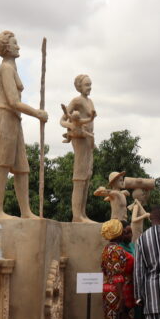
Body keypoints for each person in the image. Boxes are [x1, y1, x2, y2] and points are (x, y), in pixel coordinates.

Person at [0, 30, 48, 218]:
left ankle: (26, 211)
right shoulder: (6, 68)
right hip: (7, 117)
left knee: (22, 167)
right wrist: (37, 113)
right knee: (3, 164)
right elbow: (13, 101)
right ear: (6, 48)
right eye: (15, 43)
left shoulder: (9, 69)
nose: (18, 47)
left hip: (12, 119)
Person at [97, 219, 137, 319]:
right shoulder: (117, 250)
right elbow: (118, 276)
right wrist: (121, 298)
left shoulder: (107, 249)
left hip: (108, 291)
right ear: (118, 232)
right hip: (119, 292)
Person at [60, 74, 96, 222]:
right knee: (80, 176)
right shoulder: (77, 101)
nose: (89, 87)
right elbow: (62, 120)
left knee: (87, 176)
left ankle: (82, 213)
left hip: (89, 139)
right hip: (80, 139)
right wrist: (73, 126)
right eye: (87, 85)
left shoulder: (90, 101)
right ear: (79, 86)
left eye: (90, 84)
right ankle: (77, 215)